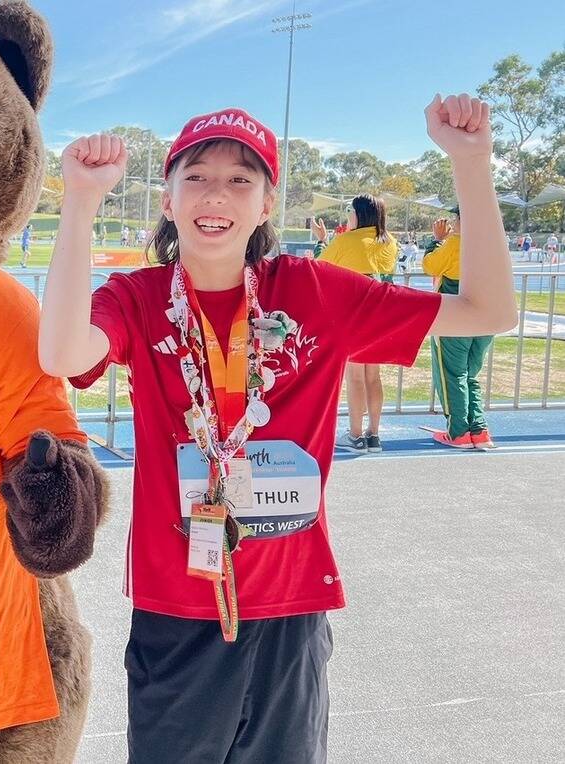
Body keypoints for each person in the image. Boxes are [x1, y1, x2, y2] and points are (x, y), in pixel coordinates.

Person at [39, 95, 514, 763]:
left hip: (289, 604)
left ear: (266, 205)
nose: (217, 194)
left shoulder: (314, 290)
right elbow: (61, 354)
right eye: (196, 176)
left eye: (241, 180)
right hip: (176, 608)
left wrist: (470, 163)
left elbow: (489, 309)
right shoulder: (137, 296)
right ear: (168, 199)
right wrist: (80, 205)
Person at [311, 194, 397, 452]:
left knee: (355, 377)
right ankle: (374, 434)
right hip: (380, 311)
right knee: (374, 376)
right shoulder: (389, 241)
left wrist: (322, 241)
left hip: (354, 311)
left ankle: (355, 435)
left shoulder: (346, 240)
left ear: (358, 214)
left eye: (350, 210)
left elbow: (320, 266)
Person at [423, 206, 497, 449]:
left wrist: (436, 241)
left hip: (456, 317)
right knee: (470, 374)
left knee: (451, 375)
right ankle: (479, 429)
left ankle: (458, 432)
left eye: (456, 218)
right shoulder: (493, 242)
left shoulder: (456, 243)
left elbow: (431, 266)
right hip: (486, 318)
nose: (453, 223)